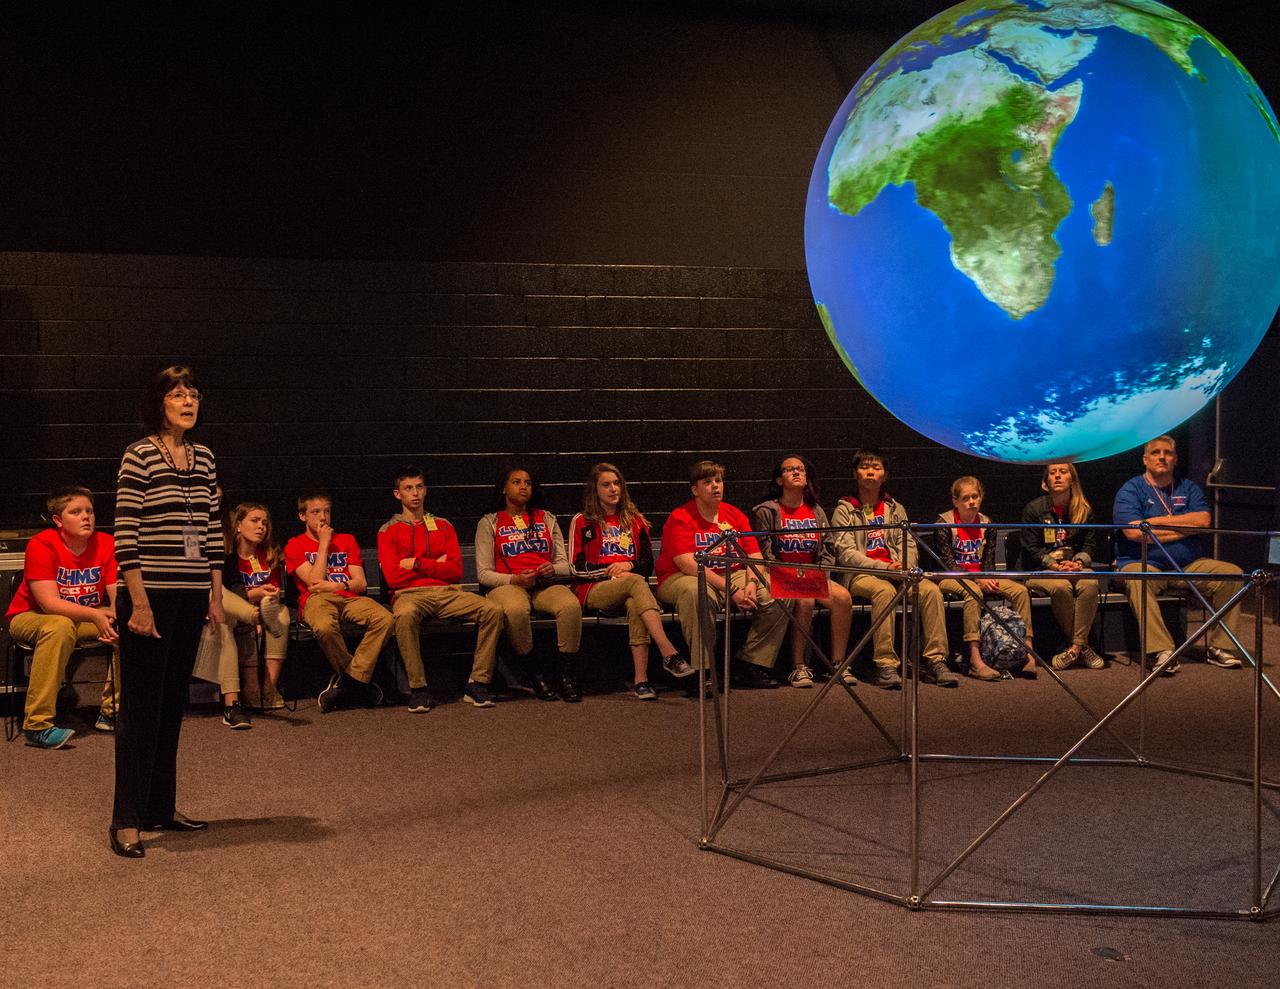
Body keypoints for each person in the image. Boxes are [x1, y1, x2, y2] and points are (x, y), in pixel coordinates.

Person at [110, 366, 223, 858]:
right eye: (177, 395)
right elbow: (125, 536)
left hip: (191, 594)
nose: (187, 401)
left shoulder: (203, 458)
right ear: (159, 404)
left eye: (192, 393)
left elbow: (212, 531)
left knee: (171, 706)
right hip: (147, 598)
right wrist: (139, 603)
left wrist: (214, 594)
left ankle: (161, 806)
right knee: (140, 711)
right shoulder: (138, 455)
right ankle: (126, 819)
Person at [1113, 434, 1244, 675]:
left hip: (1188, 564)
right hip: (1145, 563)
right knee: (1137, 577)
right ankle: (1162, 652)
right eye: (1155, 452)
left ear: (1175, 459)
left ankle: (1220, 647)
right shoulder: (1131, 489)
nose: (1162, 457)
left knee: (1231, 574)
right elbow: (1134, 533)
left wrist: (1153, 524)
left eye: (1168, 453)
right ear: (1145, 459)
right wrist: (1183, 526)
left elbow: (1203, 520)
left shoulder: (1188, 487)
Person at [378, 467, 504, 712]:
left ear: (425, 491)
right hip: (409, 595)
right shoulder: (388, 530)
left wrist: (416, 563)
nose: (415, 493)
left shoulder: (443, 525)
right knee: (403, 616)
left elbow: (455, 571)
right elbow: (393, 578)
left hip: (448, 593)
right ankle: (418, 689)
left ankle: (477, 682)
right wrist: (438, 563)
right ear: (397, 494)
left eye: (419, 487)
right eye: (408, 488)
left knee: (493, 610)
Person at [830, 448, 956, 689]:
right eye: (865, 467)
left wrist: (904, 566)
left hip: (898, 572)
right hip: (862, 575)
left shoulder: (896, 508)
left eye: (876, 468)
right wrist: (883, 567)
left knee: (930, 591)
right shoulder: (845, 509)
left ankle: (935, 660)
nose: (870, 472)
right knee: (884, 593)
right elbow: (845, 554)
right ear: (855, 474)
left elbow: (907, 543)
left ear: (885, 475)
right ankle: (886, 665)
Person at [655, 460, 788, 689]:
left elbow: (754, 554)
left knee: (779, 592)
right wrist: (733, 590)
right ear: (695, 490)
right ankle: (703, 671)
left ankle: (751, 663)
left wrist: (752, 585)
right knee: (696, 593)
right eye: (707, 482)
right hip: (683, 577)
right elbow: (687, 563)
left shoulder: (734, 515)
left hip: (731, 572)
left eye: (718, 481)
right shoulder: (681, 517)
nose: (715, 486)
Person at [568, 462, 694, 701]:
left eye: (617, 484)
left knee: (637, 600)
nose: (613, 489)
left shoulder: (634, 521)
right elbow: (576, 566)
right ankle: (668, 652)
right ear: (595, 490)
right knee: (636, 584)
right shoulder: (583, 521)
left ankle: (641, 681)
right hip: (594, 589)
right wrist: (611, 572)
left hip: (631, 586)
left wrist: (628, 566)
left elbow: (647, 564)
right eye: (606, 485)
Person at [6, 486, 120, 748]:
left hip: (80, 620)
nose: (86, 517)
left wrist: (114, 614)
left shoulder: (106, 543)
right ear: (58, 520)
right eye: (76, 512)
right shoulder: (42, 544)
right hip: (31, 617)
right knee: (59, 625)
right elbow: (48, 604)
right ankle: (37, 725)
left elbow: (115, 597)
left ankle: (111, 712)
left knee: (127, 625)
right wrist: (96, 613)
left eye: (89, 511)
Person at [476, 466, 584, 702]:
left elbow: (566, 565)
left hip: (543, 583)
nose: (523, 486)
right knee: (515, 610)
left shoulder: (546, 518)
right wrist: (514, 579)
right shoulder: (490, 522)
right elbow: (483, 573)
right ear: (504, 489)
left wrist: (553, 568)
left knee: (570, 606)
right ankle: (535, 674)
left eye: (527, 483)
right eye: (516, 482)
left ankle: (567, 675)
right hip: (508, 585)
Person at [751, 456, 855, 689]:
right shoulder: (767, 511)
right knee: (805, 601)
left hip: (812, 574)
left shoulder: (815, 511)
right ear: (779, 479)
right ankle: (798, 666)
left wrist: (821, 572)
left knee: (842, 598)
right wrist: (788, 573)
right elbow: (764, 552)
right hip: (782, 576)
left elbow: (828, 547)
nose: (797, 473)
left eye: (801, 469)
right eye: (790, 470)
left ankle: (837, 663)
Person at [285, 491, 393, 712]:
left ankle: (348, 681)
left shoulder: (347, 540)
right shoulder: (294, 545)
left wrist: (337, 586)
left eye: (326, 511)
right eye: (315, 512)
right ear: (302, 516)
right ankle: (359, 684)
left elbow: (360, 583)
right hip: (316, 600)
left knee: (386, 619)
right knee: (324, 627)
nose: (323, 517)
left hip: (349, 597)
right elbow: (314, 582)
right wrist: (324, 543)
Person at [933, 476, 1035, 682]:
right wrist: (978, 580)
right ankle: (975, 659)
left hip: (980, 575)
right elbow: (948, 564)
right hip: (951, 577)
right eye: (965, 498)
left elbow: (988, 560)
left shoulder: (987, 523)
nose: (971, 502)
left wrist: (987, 577)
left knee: (1020, 591)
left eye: (975, 496)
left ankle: (1028, 653)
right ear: (955, 501)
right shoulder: (944, 523)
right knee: (974, 593)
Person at [1019, 463, 1102, 671]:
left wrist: (1079, 562)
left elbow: (1090, 545)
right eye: (1053, 473)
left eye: (1063, 472)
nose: (1057, 476)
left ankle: (1074, 648)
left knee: (1090, 582)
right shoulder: (1034, 509)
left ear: (1072, 480)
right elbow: (1031, 549)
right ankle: (1083, 648)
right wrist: (1054, 565)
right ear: (1046, 483)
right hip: (1040, 570)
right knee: (1061, 586)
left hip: (1074, 567)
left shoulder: (1084, 510)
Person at [220, 501, 290, 714]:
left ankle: (269, 687)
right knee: (247, 624)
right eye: (255, 521)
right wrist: (254, 596)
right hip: (236, 610)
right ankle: (250, 690)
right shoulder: (228, 557)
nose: (261, 527)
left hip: (265, 609)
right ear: (238, 525)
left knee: (283, 615)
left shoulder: (268, 554)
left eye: (264, 523)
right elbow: (224, 594)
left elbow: (274, 592)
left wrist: (265, 597)